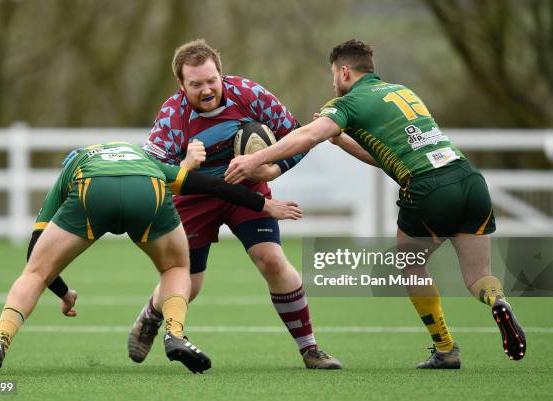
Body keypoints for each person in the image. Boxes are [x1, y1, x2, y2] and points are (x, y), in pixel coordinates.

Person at [225, 39, 526, 369]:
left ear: (343, 71)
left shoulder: (348, 102)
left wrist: (256, 161)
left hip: (429, 188)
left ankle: (445, 349)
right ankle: (497, 301)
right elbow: (388, 158)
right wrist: (341, 141)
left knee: (409, 261)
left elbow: (307, 136)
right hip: (469, 180)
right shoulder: (402, 92)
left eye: (333, 75)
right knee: (479, 275)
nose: (333, 83)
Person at [0, 141, 302, 375]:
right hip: (148, 189)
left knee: (34, 273)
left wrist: (64, 293)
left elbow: (34, 248)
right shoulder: (144, 159)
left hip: (92, 191)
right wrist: (263, 205)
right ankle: (175, 334)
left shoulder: (74, 165)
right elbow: (210, 184)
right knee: (176, 267)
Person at [128, 39, 341, 369]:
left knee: (270, 259)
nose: (207, 89)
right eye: (196, 84)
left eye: (211, 80)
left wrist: (270, 168)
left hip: (247, 188)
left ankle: (310, 349)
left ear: (221, 75)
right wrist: (185, 165)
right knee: (190, 283)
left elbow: (299, 137)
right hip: (193, 197)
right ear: (181, 85)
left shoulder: (249, 95)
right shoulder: (172, 116)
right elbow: (151, 171)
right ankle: (152, 314)